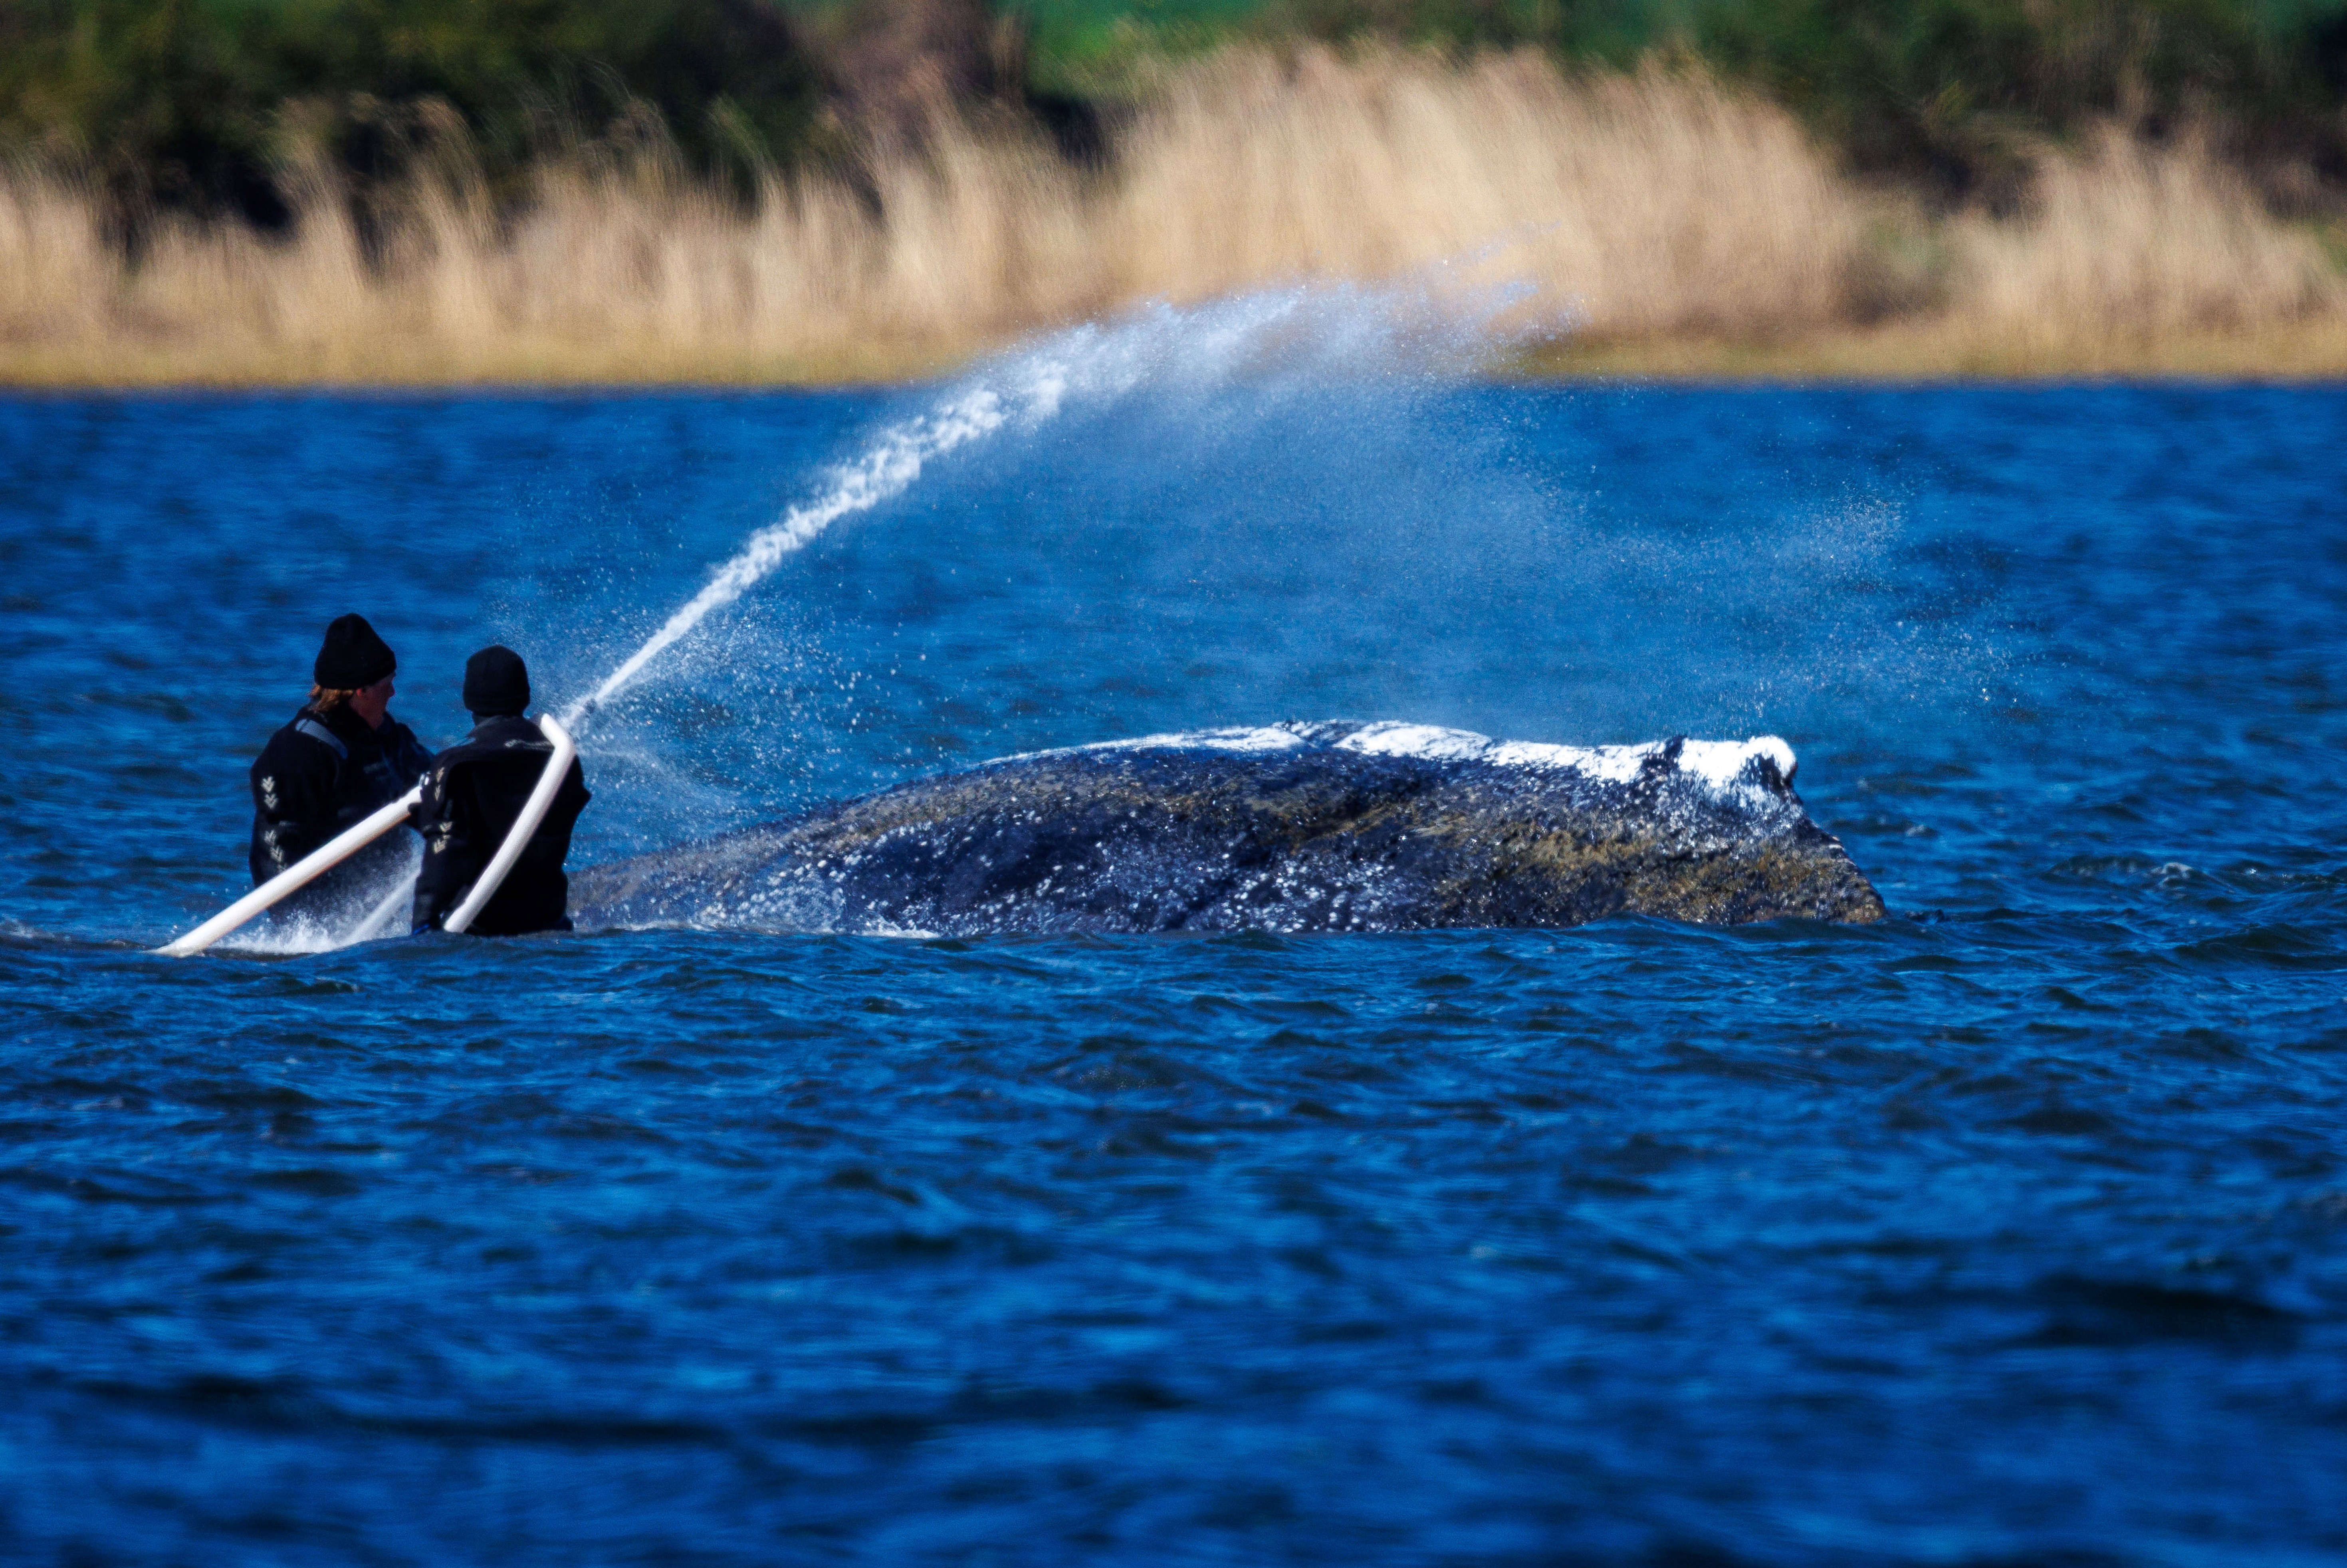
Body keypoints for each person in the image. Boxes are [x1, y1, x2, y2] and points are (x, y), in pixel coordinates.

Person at [249, 613, 434, 920]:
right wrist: (302, 929)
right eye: (388, 684)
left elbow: (436, 793)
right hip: (326, 927)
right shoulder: (299, 751)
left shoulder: (390, 738)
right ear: (361, 691)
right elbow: (273, 851)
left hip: (387, 912)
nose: (393, 693)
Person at [411, 645, 590, 936]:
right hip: (550, 923)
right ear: (525, 695)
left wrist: (423, 921)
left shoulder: (457, 763)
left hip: (479, 929)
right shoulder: (560, 757)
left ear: (470, 700)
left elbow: (447, 850)